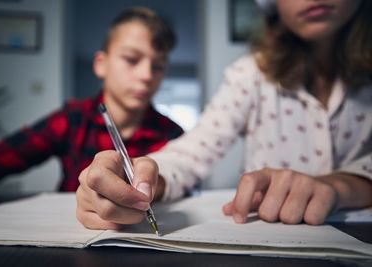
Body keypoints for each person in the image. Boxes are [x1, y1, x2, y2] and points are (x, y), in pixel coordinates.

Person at [76, 0, 372, 230]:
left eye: (158, 65)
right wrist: (147, 177)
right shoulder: (250, 75)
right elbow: (191, 154)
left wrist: (342, 186)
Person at [0, 7, 184, 192]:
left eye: (158, 66)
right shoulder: (73, 118)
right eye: (131, 59)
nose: (147, 75)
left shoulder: (173, 134)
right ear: (101, 64)